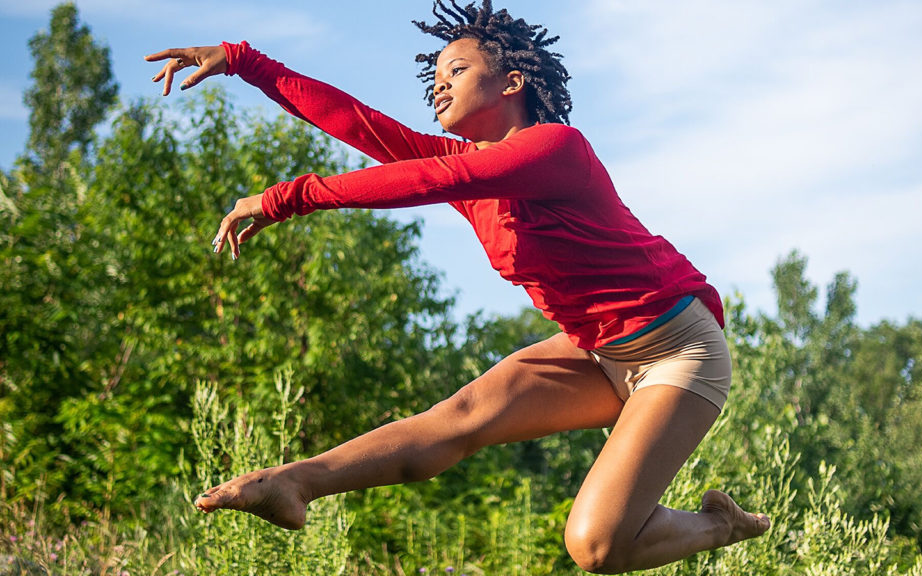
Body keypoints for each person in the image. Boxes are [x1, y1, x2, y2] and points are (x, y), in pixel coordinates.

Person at [145, 1, 769, 572]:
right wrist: (245, 63)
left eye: (457, 68)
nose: (438, 82)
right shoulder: (477, 183)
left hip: (677, 349)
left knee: (597, 545)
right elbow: (359, 125)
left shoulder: (556, 149)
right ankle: (294, 482)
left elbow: (426, 180)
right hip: (595, 347)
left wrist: (290, 197)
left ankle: (720, 524)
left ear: (512, 82)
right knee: (454, 424)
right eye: (435, 74)